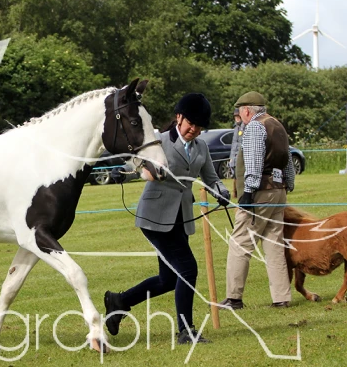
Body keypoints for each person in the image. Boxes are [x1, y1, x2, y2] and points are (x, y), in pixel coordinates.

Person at [104, 93, 231, 344]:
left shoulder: (202, 147)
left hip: (181, 218)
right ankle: (186, 331)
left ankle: (119, 301)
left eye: (199, 126)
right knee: (187, 269)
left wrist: (221, 191)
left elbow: (211, 178)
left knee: (169, 279)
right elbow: (137, 164)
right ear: (179, 117)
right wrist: (121, 171)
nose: (194, 130)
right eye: (190, 123)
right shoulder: (159, 141)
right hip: (155, 216)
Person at [222, 91, 296, 309]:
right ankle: (281, 297)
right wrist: (289, 183)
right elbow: (288, 160)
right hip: (278, 190)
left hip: (260, 192)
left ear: (246, 110)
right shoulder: (277, 124)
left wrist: (248, 191)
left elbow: (254, 160)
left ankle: (234, 298)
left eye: (240, 111)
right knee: (274, 244)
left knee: (240, 242)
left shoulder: (255, 127)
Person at [228, 107, 243, 190]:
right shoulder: (236, 128)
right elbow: (234, 143)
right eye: (235, 116)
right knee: (235, 176)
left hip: (242, 156)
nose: (237, 118)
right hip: (235, 156)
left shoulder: (245, 127)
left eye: (238, 116)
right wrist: (231, 157)